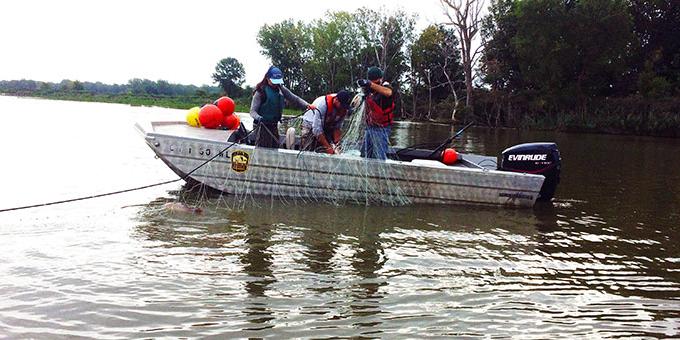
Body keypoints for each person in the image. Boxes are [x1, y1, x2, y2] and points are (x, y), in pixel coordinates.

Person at [250, 66, 315, 148]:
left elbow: (295, 99)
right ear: (267, 78)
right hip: (261, 126)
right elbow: (252, 112)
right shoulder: (260, 91)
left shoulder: (281, 89)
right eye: (274, 82)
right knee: (263, 147)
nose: (275, 84)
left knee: (274, 146)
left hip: (273, 125)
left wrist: (307, 105)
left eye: (277, 82)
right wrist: (259, 118)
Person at [357, 66, 395, 160]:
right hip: (370, 127)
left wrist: (370, 84)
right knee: (364, 154)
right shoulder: (369, 91)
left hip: (381, 129)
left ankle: (378, 174)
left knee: (379, 156)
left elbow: (389, 92)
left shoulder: (385, 87)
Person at [300, 90, 352, 154]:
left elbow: (337, 127)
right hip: (310, 122)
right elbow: (317, 129)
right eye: (342, 106)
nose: (343, 108)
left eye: (345, 107)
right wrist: (327, 147)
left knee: (330, 147)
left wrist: (337, 144)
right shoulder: (323, 105)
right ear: (336, 100)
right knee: (308, 145)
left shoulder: (343, 109)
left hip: (326, 124)